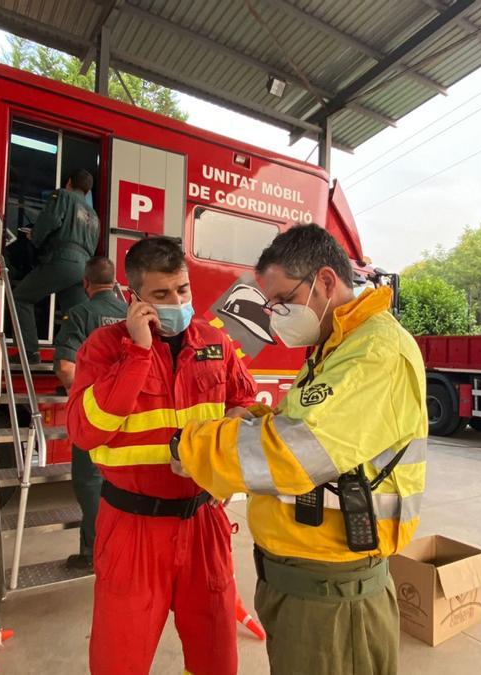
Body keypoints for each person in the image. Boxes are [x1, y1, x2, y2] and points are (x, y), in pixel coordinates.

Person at [172, 223, 428, 674]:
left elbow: (295, 451)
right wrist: (253, 419)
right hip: (307, 583)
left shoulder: (376, 352)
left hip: (333, 597)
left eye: (284, 301)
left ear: (326, 282)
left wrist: (191, 446)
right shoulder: (338, 344)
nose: (275, 316)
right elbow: (307, 425)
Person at [66, 236, 256, 675]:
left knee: (217, 658)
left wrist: (224, 459)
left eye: (183, 290)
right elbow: (84, 430)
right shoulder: (103, 347)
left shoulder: (215, 342)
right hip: (132, 529)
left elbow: (244, 404)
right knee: (120, 661)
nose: (177, 301)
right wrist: (137, 352)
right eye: (161, 294)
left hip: (204, 522)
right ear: (133, 298)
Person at [53, 256, 128, 572]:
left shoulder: (81, 314)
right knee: (122, 485)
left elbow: (66, 368)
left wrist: (83, 401)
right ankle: (122, 548)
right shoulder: (129, 314)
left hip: (97, 417)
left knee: (89, 483)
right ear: (115, 283)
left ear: (85, 283)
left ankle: (94, 553)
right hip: (131, 414)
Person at [14, 168, 99, 362]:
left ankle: (29, 353)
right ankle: (76, 362)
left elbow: (50, 220)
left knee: (21, 298)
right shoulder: (93, 215)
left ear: (69, 182)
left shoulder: (62, 195)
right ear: (87, 192)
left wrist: (34, 237)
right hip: (84, 268)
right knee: (75, 316)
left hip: (63, 259)